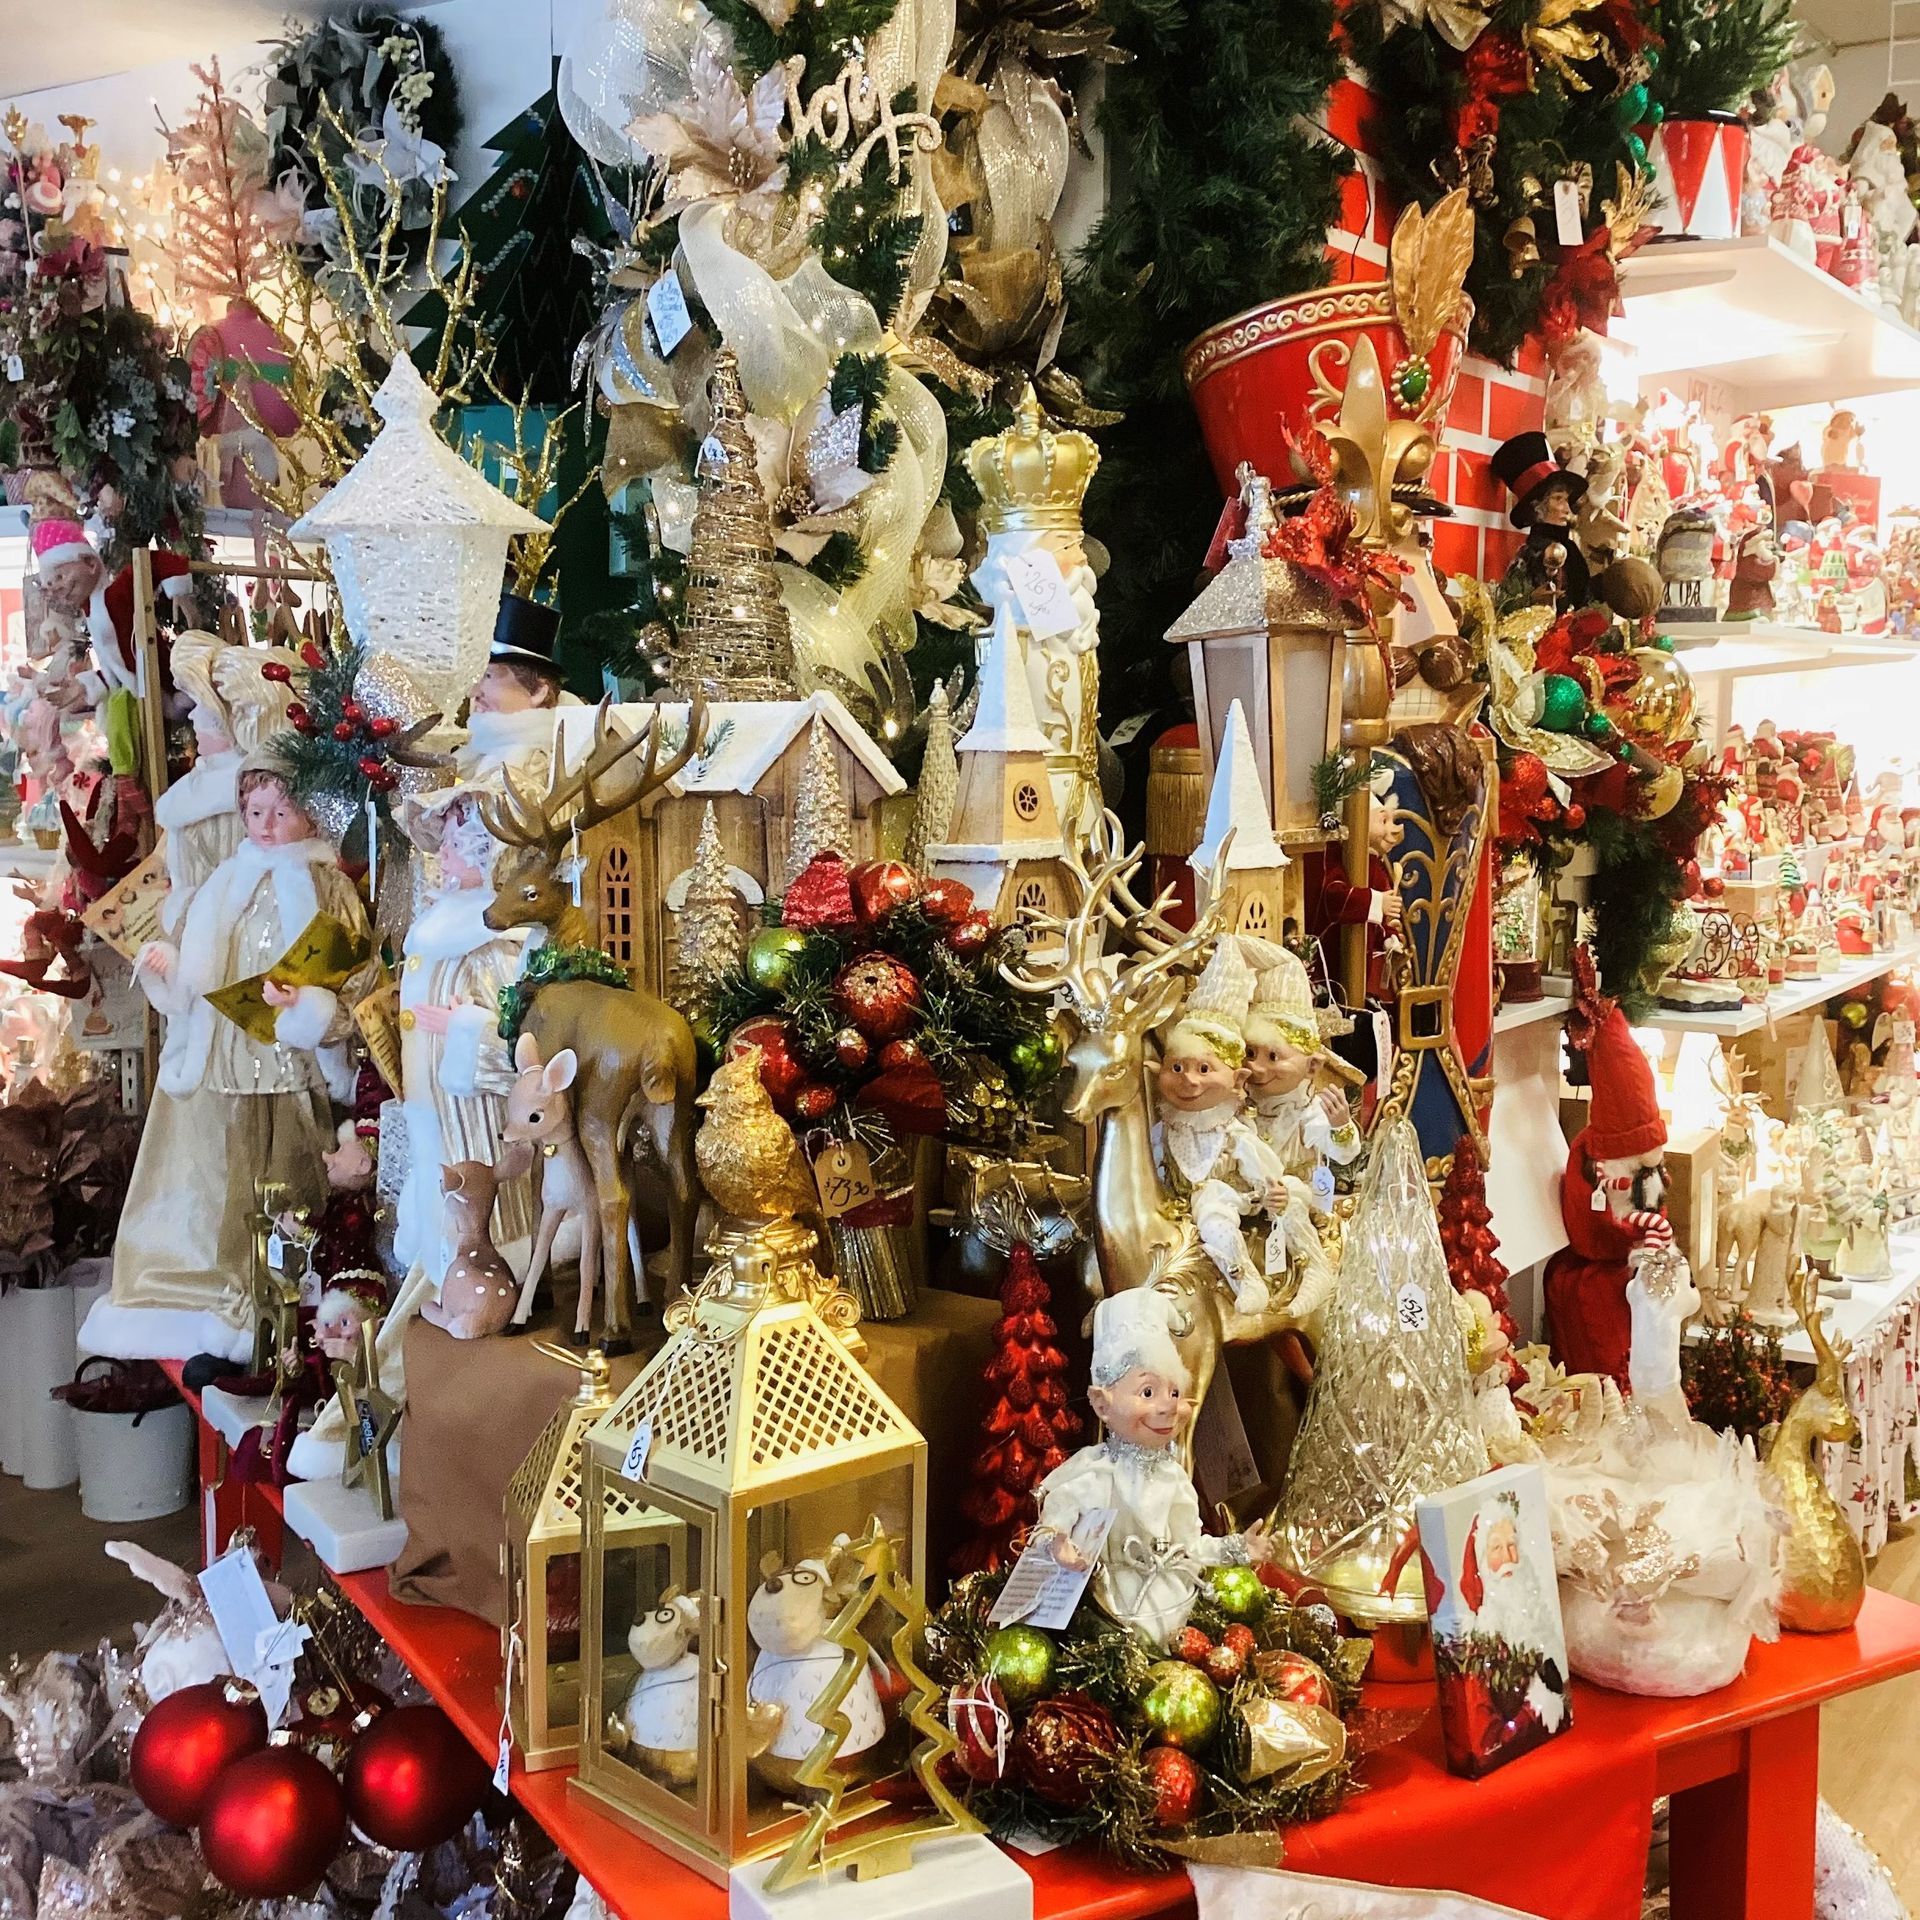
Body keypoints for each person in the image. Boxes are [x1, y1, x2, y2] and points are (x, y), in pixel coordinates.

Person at [82, 760, 374, 1362]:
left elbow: (357, 982)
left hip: (295, 1069)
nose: (266, 826)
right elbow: (196, 961)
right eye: (255, 813)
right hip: (235, 1065)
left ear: (308, 813)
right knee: (241, 1192)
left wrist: (309, 1006)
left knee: (300, 1189)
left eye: (281, 812)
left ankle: (294, 1316)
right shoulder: (225, 883)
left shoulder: (327, 886)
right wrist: (169, 964)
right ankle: (241, 1306)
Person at [1034, 1289, 1273, 1649]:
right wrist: (1058, 1542)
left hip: (1173, 1598)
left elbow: (1189, 1546)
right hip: (1112, 1602)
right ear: (1102, 1403)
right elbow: (1061, 1511)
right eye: (1148, 1393)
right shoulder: (1097, 1473)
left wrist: (1237, 1548)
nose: (1167, 1407)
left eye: (1174, 1393)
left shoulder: (1173, 1478)